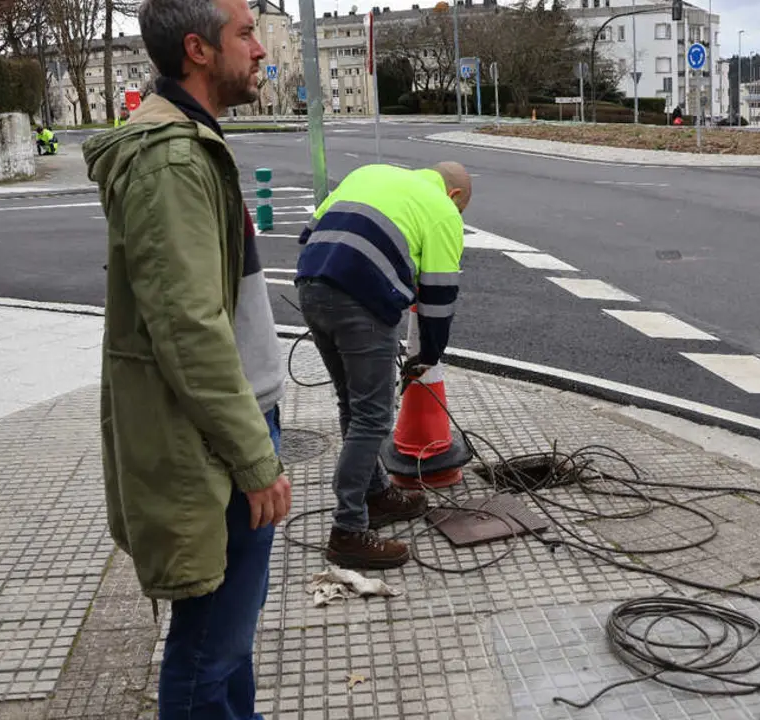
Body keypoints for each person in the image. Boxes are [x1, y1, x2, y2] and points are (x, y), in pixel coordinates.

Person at [81, 0, 292, 717]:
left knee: (225, 641)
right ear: (198, 51)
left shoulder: (190, 140)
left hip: (229, 424)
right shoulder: (172, 159)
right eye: (246, 35)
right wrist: (254, 455)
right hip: (217, 439)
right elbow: (189, 329)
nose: (261, 49)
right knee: (208, 646)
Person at [295, 162, 472, 570]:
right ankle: (348, 530)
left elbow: (310, 232)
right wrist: (427, 356)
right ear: (456, 197)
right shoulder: (443, 211)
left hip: (310, 285)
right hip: (363, 302)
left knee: (352, 403)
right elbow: (439, 297)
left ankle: (375, 494)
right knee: (373, 416)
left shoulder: (369, 173)